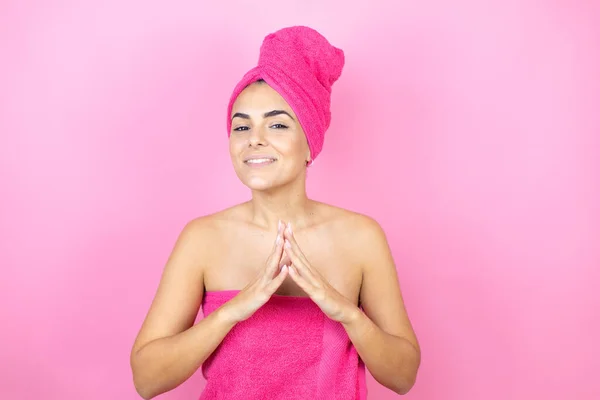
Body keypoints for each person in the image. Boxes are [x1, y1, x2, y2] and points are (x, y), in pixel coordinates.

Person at [130, 26, 420, 399]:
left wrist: (346, 312)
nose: (255, 138)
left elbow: (403, 376)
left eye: (278, 124)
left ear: (309, 142)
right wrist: (233, 311)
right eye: (241, 126)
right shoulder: (202, 239)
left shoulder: (361, 237)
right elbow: (146, 380)